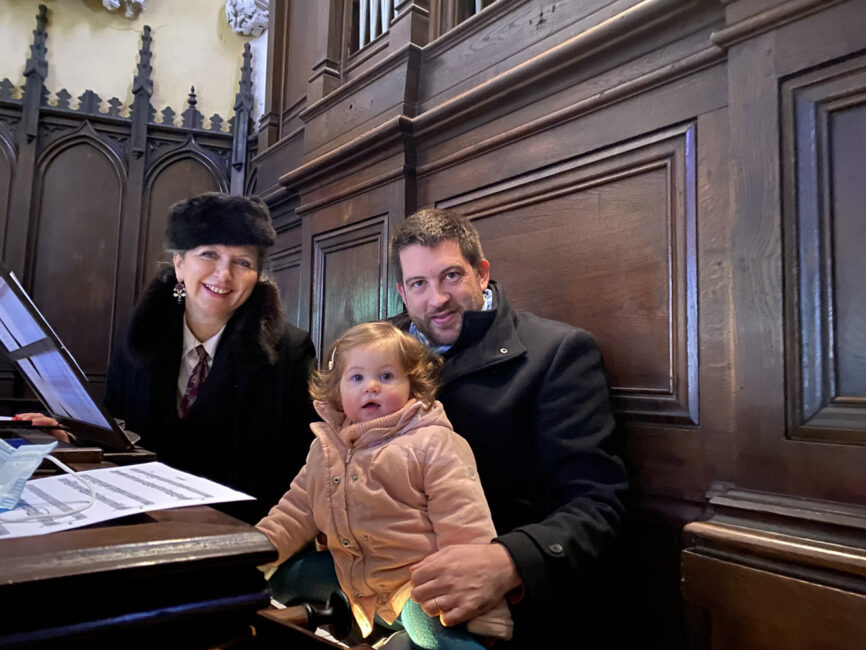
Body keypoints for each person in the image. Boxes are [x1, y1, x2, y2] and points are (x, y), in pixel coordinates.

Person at [388, 208, 629, 647]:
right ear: (403, 292)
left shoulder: (556, 352)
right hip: (382, 582)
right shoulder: (372, 351)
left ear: (482, 274)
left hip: (498, 613)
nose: (437, 299)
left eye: (451, 276)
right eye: (419, 284)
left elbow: (596, 504)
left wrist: (507, 562)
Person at [17, 192, 317, 524]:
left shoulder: (290, 350)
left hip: (238, 534)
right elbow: (121, 426)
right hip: (140, 523)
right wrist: (72, 436)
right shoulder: (140, 338)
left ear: (256, 276)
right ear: (179, 263)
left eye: (242, 262)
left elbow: (302, 465)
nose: (224, 274)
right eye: (209, 254)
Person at [256, 321, 514, 650]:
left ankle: (409, 640)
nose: (372, 387)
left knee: (438, 633)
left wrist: (484, 610)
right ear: (337, 391)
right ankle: (371, 636)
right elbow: (293, 512)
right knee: (277, 584)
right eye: (357, 378)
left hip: (415, 586)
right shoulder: (325, 449)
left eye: (387, 376)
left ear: (413, 385)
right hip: (351, 577)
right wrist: (246, 556)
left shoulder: (433, 443)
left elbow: (465, 526)